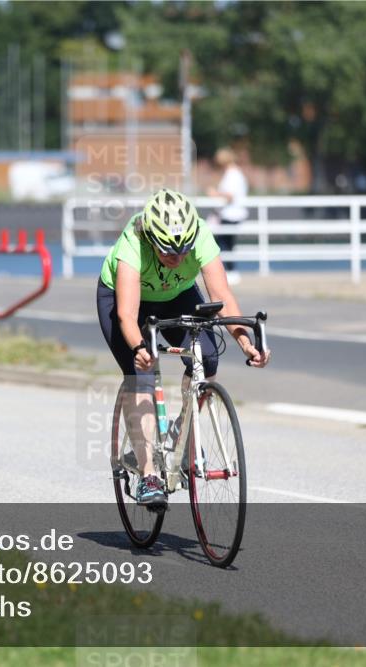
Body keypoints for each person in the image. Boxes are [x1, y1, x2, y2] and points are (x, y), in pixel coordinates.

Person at [96, 188, 270, 509]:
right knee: (141, 375)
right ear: (151, 238)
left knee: (208, 356)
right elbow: (125, 314)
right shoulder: (132, 244)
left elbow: (222, 298)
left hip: (177, 295)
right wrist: (138, 346)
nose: (177, 260)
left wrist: (244, 342)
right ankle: (148, 474)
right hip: (126, 303)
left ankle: (180, 434)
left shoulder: (201, 235)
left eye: (183, 252)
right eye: (168, 253)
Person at [206, 148, 248, 285]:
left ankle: (230, 271)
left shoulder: (233, 175)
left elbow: (230, 195)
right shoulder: (234, 174)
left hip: (231, 214)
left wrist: (215, 193)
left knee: (225, 243)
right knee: (226, 243)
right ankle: (230, 271)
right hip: (230, 213)